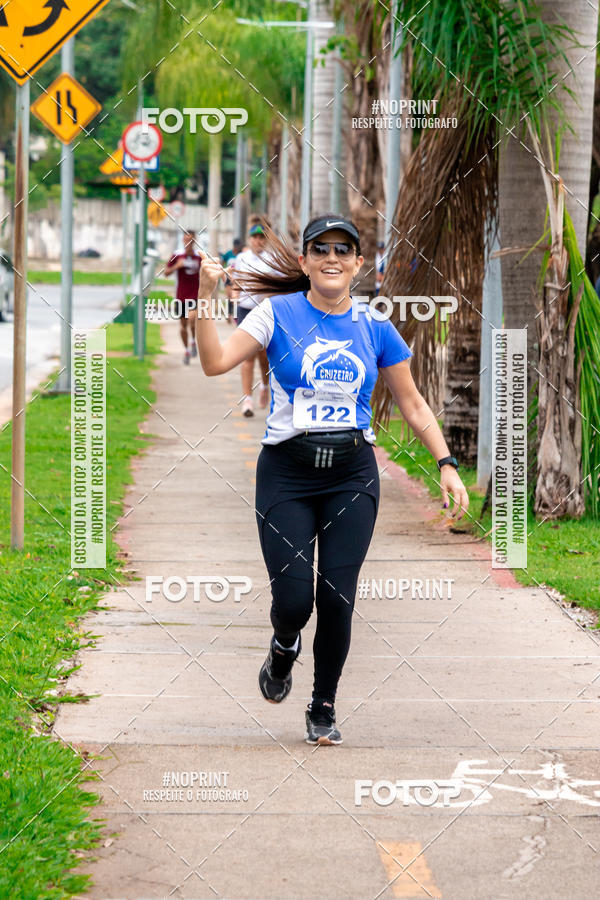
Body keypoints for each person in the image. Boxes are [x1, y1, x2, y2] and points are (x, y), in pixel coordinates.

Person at [195, 214, 469, 746]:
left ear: (359, 264)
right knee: (296, 601)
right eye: (320, 249)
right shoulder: (277, 314)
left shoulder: (375, 326)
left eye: (344, 250)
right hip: (287, 476)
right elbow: (214, 362)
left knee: (337, 597)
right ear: (304, 261)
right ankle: (283, 645)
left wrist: (447, 463)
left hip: (352, 477)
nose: (332, 258)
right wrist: (208, 297)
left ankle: (323, 705)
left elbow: (412, 403)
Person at [227, 220, 274, 415]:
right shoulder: (242, 258)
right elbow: (235, 282)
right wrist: (234, 300)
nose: (258, 241)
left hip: (264, 311)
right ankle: (247, 399)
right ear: (250, 239)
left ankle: (264, 386)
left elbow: (279, 288)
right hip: (245, 310)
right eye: (254, 237)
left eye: (261, 237)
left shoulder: (273, 259)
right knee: (247, 357)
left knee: (263, 357)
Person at [165, 230, 202, 365]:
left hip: (195, 296)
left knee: (192, 320)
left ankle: (193, 340)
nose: (189, 243)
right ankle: (187, 349)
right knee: (183, 325)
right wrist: (177, 266)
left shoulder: (199, 256)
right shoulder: (177, 255)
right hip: (181, 296)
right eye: (187, 240)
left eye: (192, 240)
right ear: (183, 240)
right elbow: (166, 272)